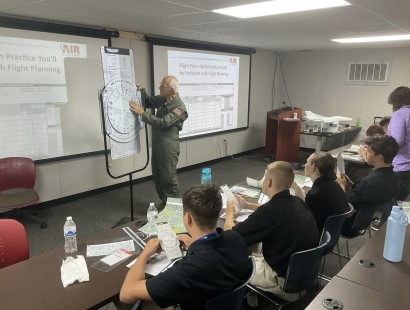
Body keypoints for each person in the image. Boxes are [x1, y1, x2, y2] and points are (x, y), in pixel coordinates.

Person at [117, 184, 252, 310]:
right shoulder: (235, 238)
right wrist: (194, 243)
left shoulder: (188, 270)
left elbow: (126, 294)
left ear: (188, 218)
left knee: (136, 302)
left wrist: (145, 254)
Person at [224, 161, 319, 302]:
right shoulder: (297, 201)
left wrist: (229, 215)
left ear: (269, 182)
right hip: (305, 276)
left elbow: (231, 235)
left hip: (284, 284)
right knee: (254, 244)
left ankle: (244, 302)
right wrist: (248, 205)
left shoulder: (270, 211)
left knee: (229, 261)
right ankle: (253, 300)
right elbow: (272, 210)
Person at [129, 76, 188, 208]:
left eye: (163, 86)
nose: (160, 87)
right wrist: (142, 91)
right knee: (157, 175)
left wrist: (142, 113)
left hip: (168, 146)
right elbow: (149, 101)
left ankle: (175, 207)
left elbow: (163, 123)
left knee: (168, 177)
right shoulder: (163, 99)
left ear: (171, 90)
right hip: (158, 144)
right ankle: (165, 201)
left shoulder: (179, 108)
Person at [336, 135, 399, 236]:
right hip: (362, 222)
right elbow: (364, 195)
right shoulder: (392, 177)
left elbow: (345, 211)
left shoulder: (371, 182)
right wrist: (349, 184)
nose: (365, 153)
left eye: (368, 151)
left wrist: (341, 185)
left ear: (379, 157)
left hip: (347, 225)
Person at [292, 152, 349, 234]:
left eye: (307, 162)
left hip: (313, 236)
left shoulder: (316, 194)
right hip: (329, 234)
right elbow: (309, 201)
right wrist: (295, 186)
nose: (305, 165)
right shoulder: (333, 184)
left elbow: (304, 218)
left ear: (313, 167)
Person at [387, 86, 410, 202]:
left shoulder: (400, 114)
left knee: (395, 205)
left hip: (402, 166)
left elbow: (396, 141)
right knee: (406, 204)